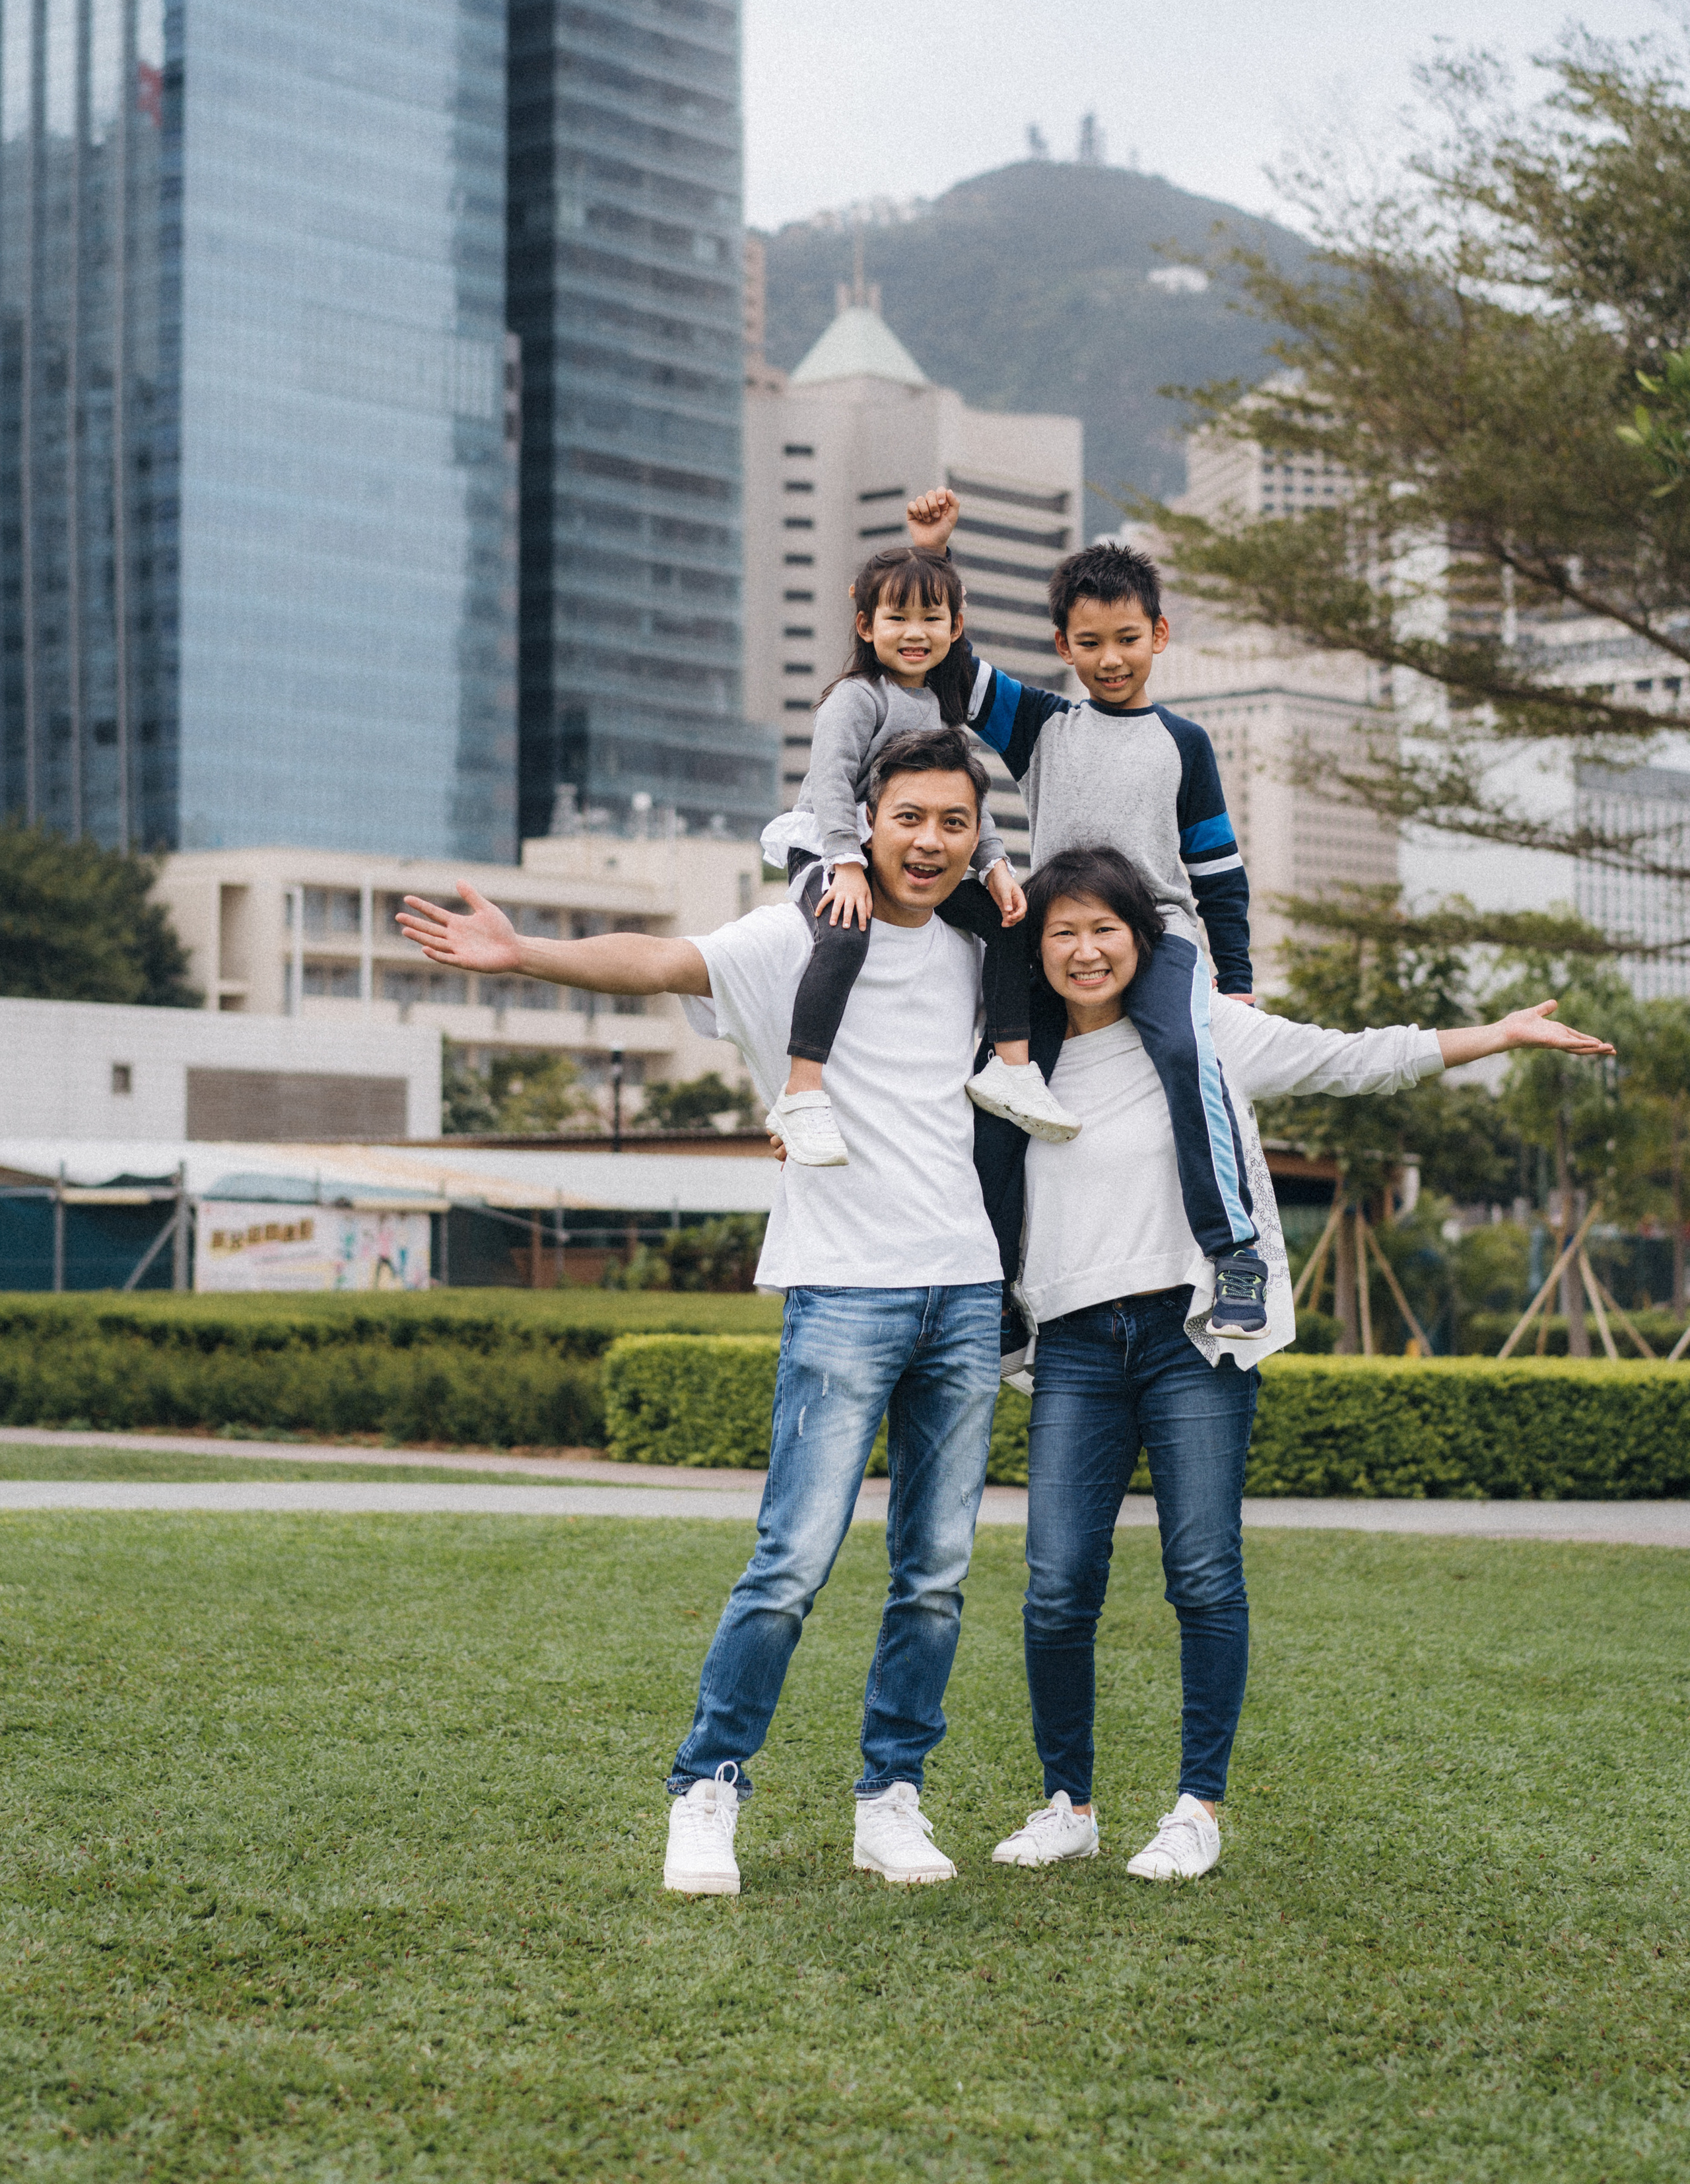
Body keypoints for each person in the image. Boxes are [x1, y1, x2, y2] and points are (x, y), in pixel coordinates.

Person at [397, 727, 1010, 1900]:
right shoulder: (808, 930)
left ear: (975, 835)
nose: (929, 842)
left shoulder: (981, 951)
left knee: (935, 1572)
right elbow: (662, 960)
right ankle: (707, 1793)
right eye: (909, 819)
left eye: (954, 823)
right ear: (865, 827)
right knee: (791, 1562)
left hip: (964, 1287)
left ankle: (891, 1802)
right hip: (843, 1287)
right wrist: (524, 954)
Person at [980, 843, 1615, 1882]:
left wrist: (1496, 1035)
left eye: (1106, 929)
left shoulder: (1203, 1025)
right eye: (1063, 933)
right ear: (1036, 949)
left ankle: (1196, 1808)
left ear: (1141, 935)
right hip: (1078, 1344)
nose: (1086, 951)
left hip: (1197, 1333)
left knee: (1202, 1574)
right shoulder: (1012, 1059)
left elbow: (1346, 1057)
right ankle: (1069, 1803)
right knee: (1056, 1585)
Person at [908, 488, 1269, 1341]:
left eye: (1128, 641)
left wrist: (1241, 981)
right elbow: (954, 671)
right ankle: (995, 1295)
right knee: (998, 1100)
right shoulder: (1044, 725)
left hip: (1157, 937)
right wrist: (936, 554)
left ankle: (1236, 1253)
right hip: (1049, 939)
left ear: (1160, 636)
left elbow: (1218, 873)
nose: (1111, 660)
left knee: (1189, 1057)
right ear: (1064, 646)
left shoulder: (1185, 744)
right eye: (1091, 644)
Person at [761, 540, 1077, 1167]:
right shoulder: (858, 697)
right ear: (866, 626)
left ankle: (1011, 1065)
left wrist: (993, 865)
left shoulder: (939, 704)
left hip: (900, 853)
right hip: (831, 847)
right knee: (846, 934)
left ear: (955, 628)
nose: (915, 633)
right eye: (897, 619)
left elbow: (964, 795)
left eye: (932, 619)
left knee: (1008, 919)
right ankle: (801, 1090)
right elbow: (829, 782)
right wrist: (846, 864)